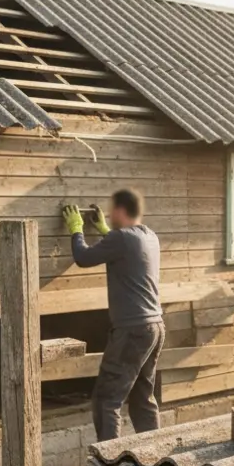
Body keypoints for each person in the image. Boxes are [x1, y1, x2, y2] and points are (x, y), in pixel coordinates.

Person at [62, 189, 165, 444]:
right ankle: (156, 461)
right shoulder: (149, 237)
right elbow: (126, 251)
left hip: (132, 331)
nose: (109, 214)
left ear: (120, 210)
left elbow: (83, 257)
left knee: (107, 400)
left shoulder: (121, 239)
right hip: (155, 327)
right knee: (142, 399)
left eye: (111, 210)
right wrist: (105, 230)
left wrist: (77, 229)